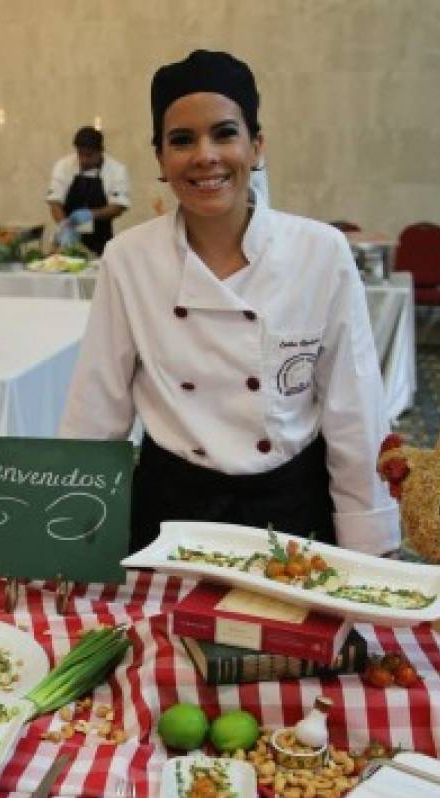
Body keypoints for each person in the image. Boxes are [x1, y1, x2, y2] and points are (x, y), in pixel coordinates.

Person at [58, 50, 399, 557]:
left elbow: (353, 409)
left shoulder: (320, 251)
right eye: (181, 140)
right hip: (169, 512)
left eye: (224, 133)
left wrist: (371, 540)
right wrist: (69, 535)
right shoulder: (128, 258)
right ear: (160, 159)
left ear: (256, 145)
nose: (205, 155)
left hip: (291, 510)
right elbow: (97, 408)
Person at [47, 126, 130, 256]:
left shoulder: (116, 170)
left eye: (89, 155)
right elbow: (54, 202)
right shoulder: (63, 166)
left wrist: (90, 214)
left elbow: (118, 206)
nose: (84, 160)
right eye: (80, 154)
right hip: (67, 240)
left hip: (101, 242)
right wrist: (64, 226)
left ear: (101, 151)